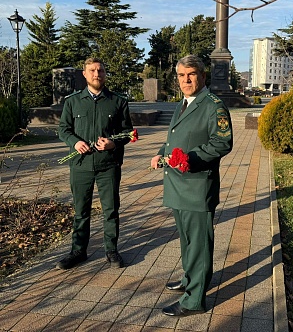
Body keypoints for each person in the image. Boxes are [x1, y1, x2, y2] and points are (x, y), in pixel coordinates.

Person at [150, 54, 233, 316]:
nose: (186, 80)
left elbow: (222, 142)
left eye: (191, 74)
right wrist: (161, 152)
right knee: (186, 240)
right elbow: (175, 136)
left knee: (198, 243)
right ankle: (190, 279)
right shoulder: (184, 102)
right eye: (181, 75)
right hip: (177, 184)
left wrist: (190, 159)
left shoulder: (213, 105)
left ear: (202, 76)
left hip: (196, 184)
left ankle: (194, 300)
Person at [57, 57, 133, 270]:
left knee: (111, 210)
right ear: (85, 74)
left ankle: (111, 250)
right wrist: (75, 142)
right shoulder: (72, 101)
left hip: (108, 165)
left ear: (105, 73)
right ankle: (78, 251)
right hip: (80, 165)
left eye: (100, 70)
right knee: (81, 211)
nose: (96, 74)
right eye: (92, 70)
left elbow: (128, 132)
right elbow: (64, 129)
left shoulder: (118, 101)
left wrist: (113, 143)